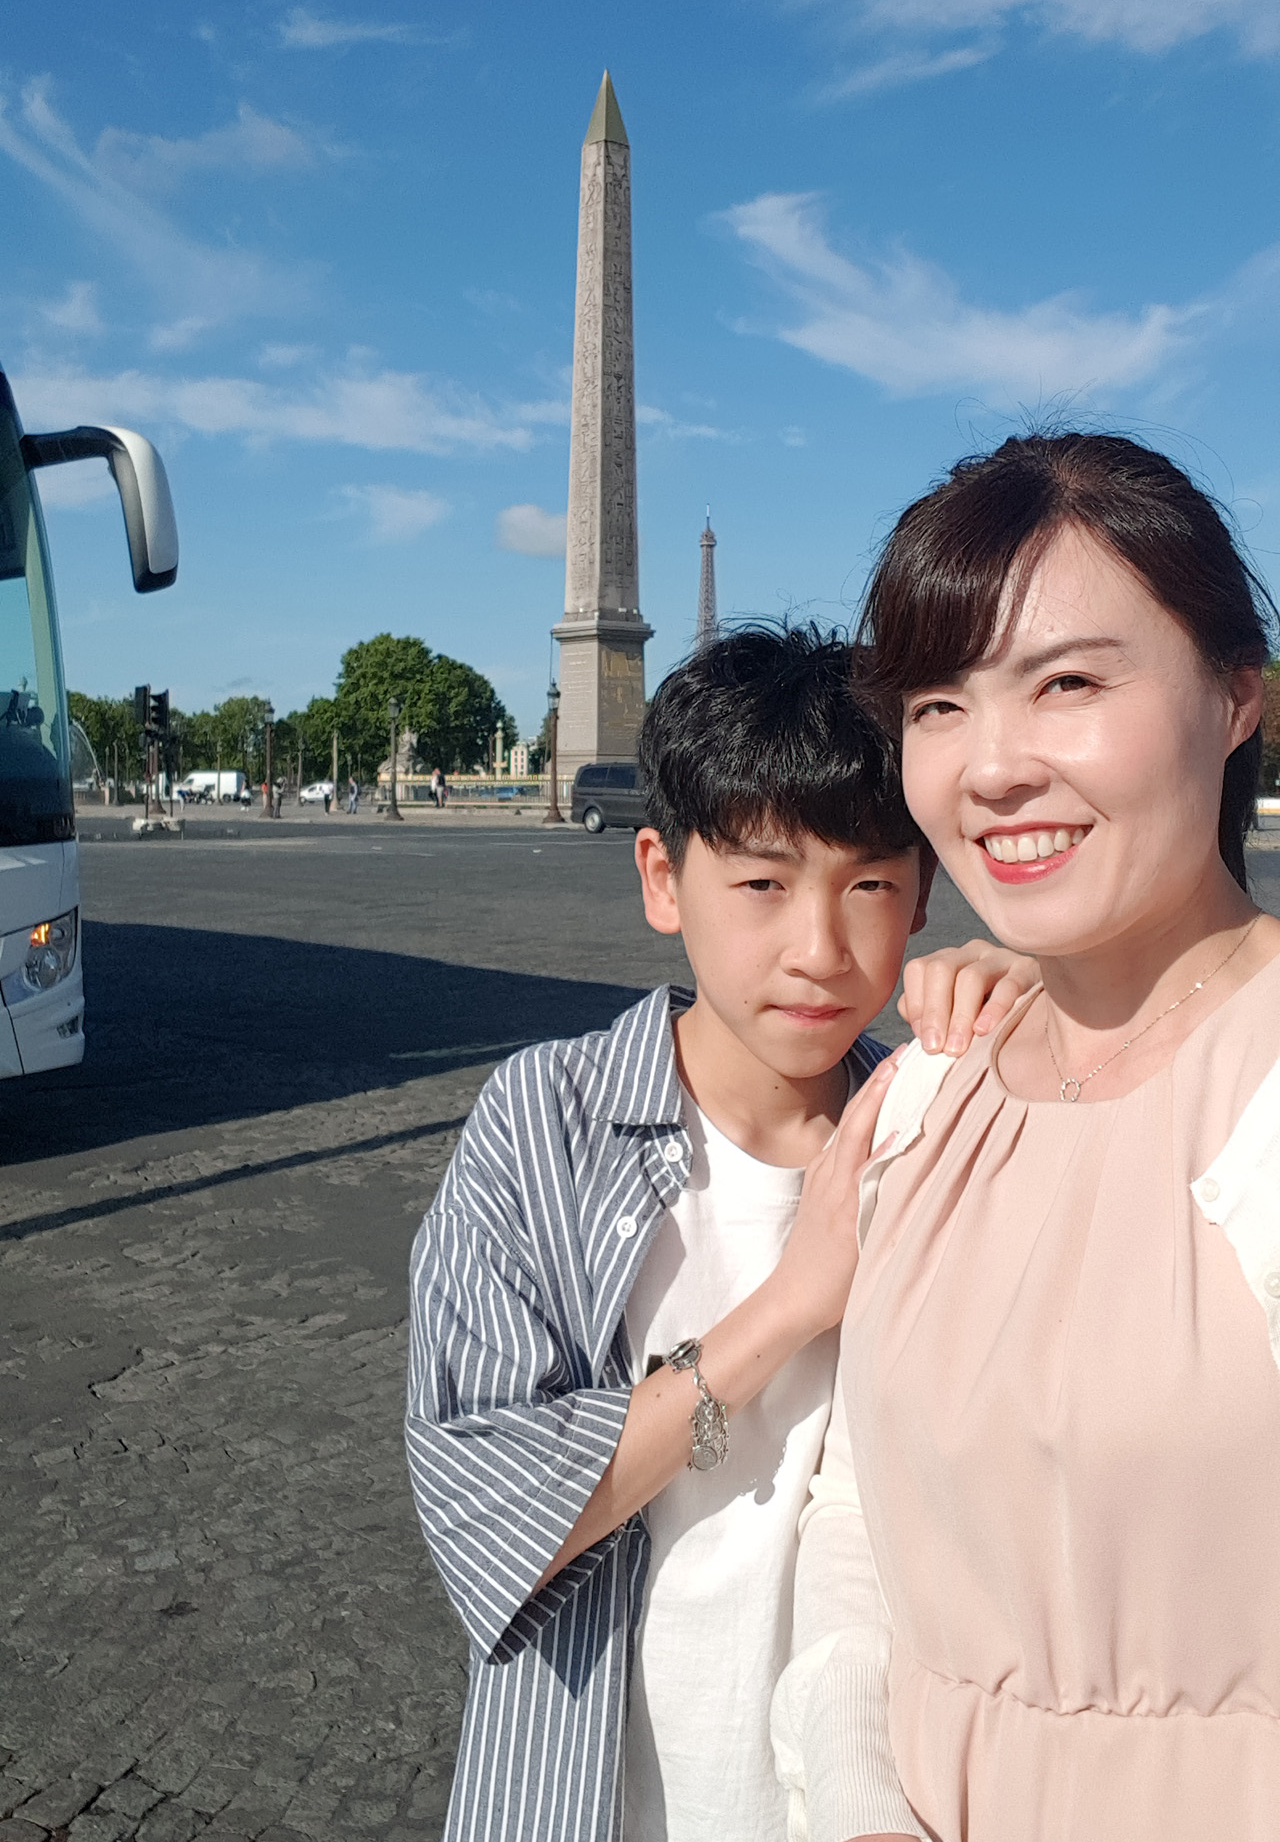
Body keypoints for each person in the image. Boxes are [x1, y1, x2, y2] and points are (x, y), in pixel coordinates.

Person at [404, 626, 1036, 1842]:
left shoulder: (941, 1126)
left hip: (868, 1795)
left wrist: (1044, 1029)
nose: (818, 950)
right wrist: (791, 1304)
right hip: (588, 1791)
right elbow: (486, 1512)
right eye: (760, 885)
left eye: (868, 886)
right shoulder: (546, 1125)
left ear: (920, 895)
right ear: (660, 877)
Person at [777, 434, 1280, 1842]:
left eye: (1067, 683)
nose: (992, 768)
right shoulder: (921, 1099)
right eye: (938, 704)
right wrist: (862, 1809)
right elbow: (858, 1520)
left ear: (1235, 697)